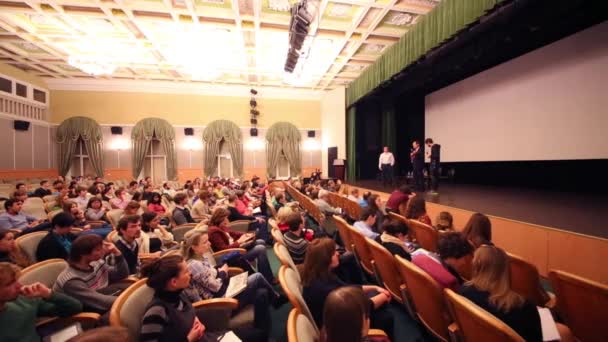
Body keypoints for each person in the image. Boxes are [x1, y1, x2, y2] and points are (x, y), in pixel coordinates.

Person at [181, 231, 284, 340]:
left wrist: (220, 273)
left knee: (261, 293)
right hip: (218, 304)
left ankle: (262, 333)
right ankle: (276, 299)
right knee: (257, 277)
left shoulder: (201, 257)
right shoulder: (194, 265)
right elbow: (216, 288)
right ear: (194, 247)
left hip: (223, 292)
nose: (209, 244)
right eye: (205, 242)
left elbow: (214, 275)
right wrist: (223, 273)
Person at [301, 238, 394, 339]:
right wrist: (384, 296)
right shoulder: (324, 288)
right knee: (386, 317)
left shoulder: (319, 274)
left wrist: (374, 287)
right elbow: (361, 308)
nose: (337, 254)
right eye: (333, 253)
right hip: (342, 327)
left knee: (379, 304)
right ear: (325, 259)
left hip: (340, 317)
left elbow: (347, 288)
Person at [459, 245, 542, 341]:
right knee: (562, 330)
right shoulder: (524, 307)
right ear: (506, 269)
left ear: (476, 266)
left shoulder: (464, 291)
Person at [0, 262, 83, 342]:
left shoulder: (23, 299)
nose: (19, 286)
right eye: (9, 284)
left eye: (16, 281)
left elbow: (74, 308)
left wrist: (48, 294)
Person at [53, 235, 129, 315]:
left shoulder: (95, 262)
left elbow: (121, 274)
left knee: (128, 288)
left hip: (98, 296)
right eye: (98, 250)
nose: (103, 251)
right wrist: (128, 300)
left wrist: (117, 252)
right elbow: (99, 301)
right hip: (84, 311)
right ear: (83, 254)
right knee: (124, 311)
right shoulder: (72, 281)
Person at [207, 208, 275, 283]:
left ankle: (265, 276)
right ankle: (268, 279)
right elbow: (223, 249)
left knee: (260, 241)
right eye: (226, 218)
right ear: (221, 219)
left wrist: (246, 235)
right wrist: (239, 242)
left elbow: (233, 233)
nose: (227, 220)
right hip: (231, 256)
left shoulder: (221, 226)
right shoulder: (214, 232)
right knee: (260, 248)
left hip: (236, 249)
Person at [322, 286, 390, 342]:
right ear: (359, 330)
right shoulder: (381, 338)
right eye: (366, 316)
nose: (368, 319)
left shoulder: (325, 336)